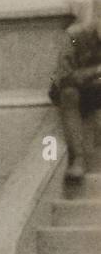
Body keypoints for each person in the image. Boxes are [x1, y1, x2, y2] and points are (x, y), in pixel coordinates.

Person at [49, 17, 101, 182]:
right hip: (79, 92)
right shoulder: (75, 35)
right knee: (69, 93)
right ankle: (78, 158)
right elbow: (65, 76)